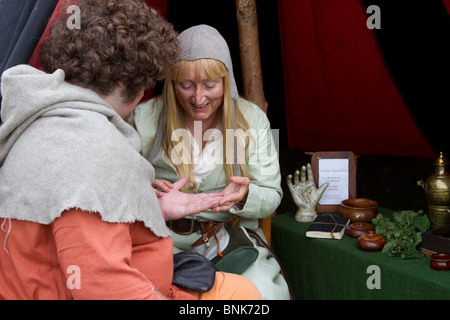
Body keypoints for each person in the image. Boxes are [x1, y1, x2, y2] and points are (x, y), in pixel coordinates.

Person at [0, 0, 262, 300]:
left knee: (241, 289)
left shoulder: (41, 120)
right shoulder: (91, 148)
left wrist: (147, 206)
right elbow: (102, 286)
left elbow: (67, 210)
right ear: (134, 86)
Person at [134, 24, 290, 300]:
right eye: (186, 85)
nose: (198, 98)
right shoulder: (144, 117)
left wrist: (244, 197)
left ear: (226, 81)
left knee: (260, 295)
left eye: (210, 85)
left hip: (229, 242)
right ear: (172, 82)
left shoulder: (254, 119)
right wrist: (147, 193)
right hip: (160, 241)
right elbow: (115, 186)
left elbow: (273, 195)